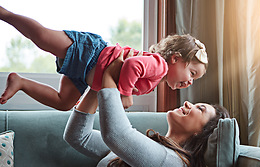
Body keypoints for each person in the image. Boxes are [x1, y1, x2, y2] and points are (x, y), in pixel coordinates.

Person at [0, 51, 230, 167]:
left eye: (200, 109)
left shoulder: (176, 166)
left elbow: (117, 135)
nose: (189, 102)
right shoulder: (147, 149)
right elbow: (78, 137)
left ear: (203, 132)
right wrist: (97, 84)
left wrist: (109, 76)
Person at [0, 6, 208, 110]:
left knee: (64, 103)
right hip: (92, 54)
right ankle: (5, 14)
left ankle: (21, 82)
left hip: (86, 76)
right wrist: (126, 94)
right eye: (191, 73)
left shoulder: (155, 81)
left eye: (194, 80)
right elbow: (132, 64)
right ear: (175, 59)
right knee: (43, 37)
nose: (189, 81)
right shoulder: (159, 65)